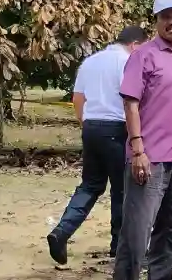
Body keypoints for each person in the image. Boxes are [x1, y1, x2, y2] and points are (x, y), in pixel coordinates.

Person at [104, 0, 172, 280]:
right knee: (137, 231)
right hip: (150, 157)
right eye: (165, 16)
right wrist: (138, 149)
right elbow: (130, 104)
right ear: (156, 21)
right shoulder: (143, 56)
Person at [46, 24, 149, 265]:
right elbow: (134, 101)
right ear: (135, 45)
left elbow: (78, 98)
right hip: (117, 128)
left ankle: (61, 232)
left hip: (92, 127)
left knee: (90, 186)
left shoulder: (90, 62)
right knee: (122, 189)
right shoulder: (129, 63)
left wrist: (87, 124)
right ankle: (118, 246)